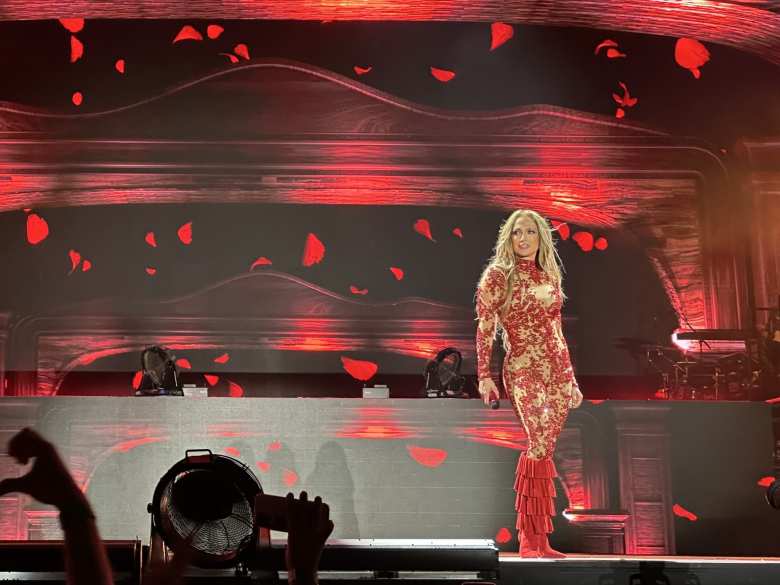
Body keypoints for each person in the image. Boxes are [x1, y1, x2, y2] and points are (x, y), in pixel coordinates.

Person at [475, 209, 582, 558]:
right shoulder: (498, 276)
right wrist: (484, 376)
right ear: (509, 237)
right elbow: (485, 328)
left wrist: (571, 379)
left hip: (556, 372)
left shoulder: (548, 276)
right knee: (536, 443)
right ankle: (527, 539)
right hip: (522, 369)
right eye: (517, 232)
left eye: (530, 233)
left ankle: (540, 540)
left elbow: (557, 333)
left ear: (540, 238)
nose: (524, 238)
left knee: (545, 451)